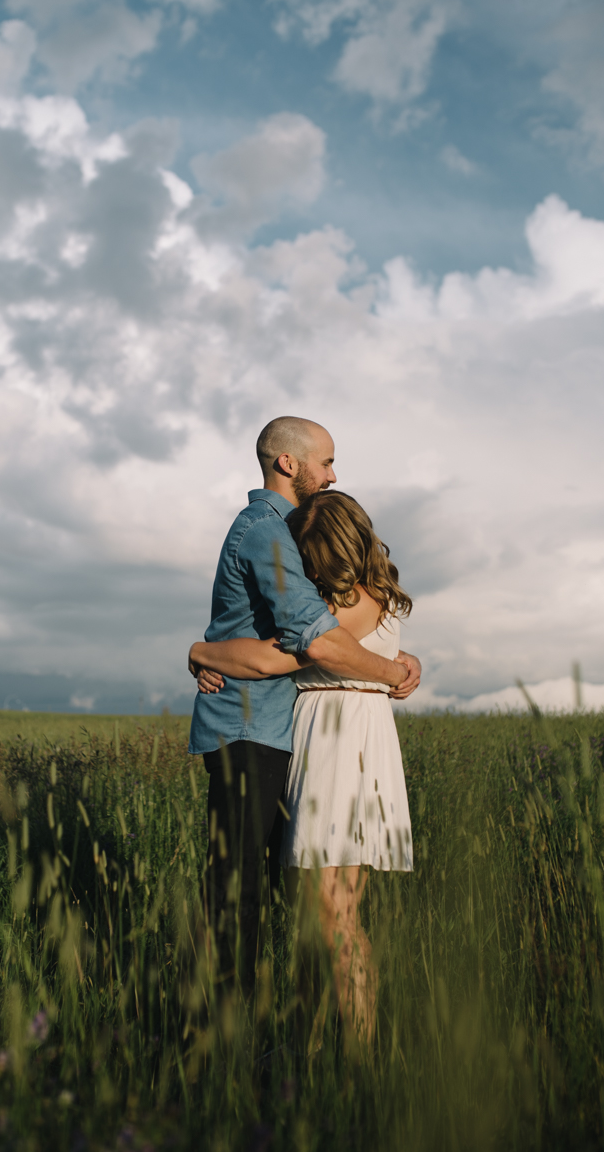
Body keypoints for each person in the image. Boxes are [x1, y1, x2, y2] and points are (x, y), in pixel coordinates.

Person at [187, 416, 421, 996]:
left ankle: (273, 1037)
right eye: (327, 461)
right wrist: (391, 668)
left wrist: (203, 649)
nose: (335, 473)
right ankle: (227, 1043)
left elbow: (327, 633)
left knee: (286, 900)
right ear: (288, 463)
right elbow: (314, 641)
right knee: (240, 894)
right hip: (252, 726)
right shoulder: (267, 530)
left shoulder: (283, 532)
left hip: (294, 731)